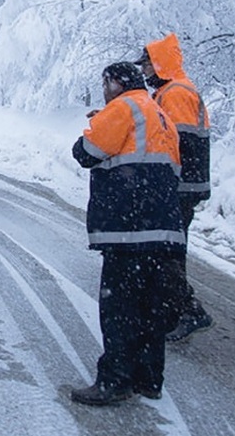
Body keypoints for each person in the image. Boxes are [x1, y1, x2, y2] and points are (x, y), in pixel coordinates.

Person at [70, 61, 185, 406]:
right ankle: (149, 379)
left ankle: (115, 379)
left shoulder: (122, 107)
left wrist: (98, 122)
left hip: (128, 228)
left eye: (105, 84)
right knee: (152, 306)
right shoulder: (161, 114)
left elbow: (85, 152)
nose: (104, 91)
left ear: (117, 83)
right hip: (163, 228)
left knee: (119, 307)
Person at [136, 34, 214, 342]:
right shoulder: (170, 91)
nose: (143, 72)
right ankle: (171, 310)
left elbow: (176, 144)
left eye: (146, 65)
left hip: (180, 186)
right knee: (165, 250)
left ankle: (188, 310)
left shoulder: (176, 93)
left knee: (165, 252)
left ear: (159, 64)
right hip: (181, 185)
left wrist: (163, 183)